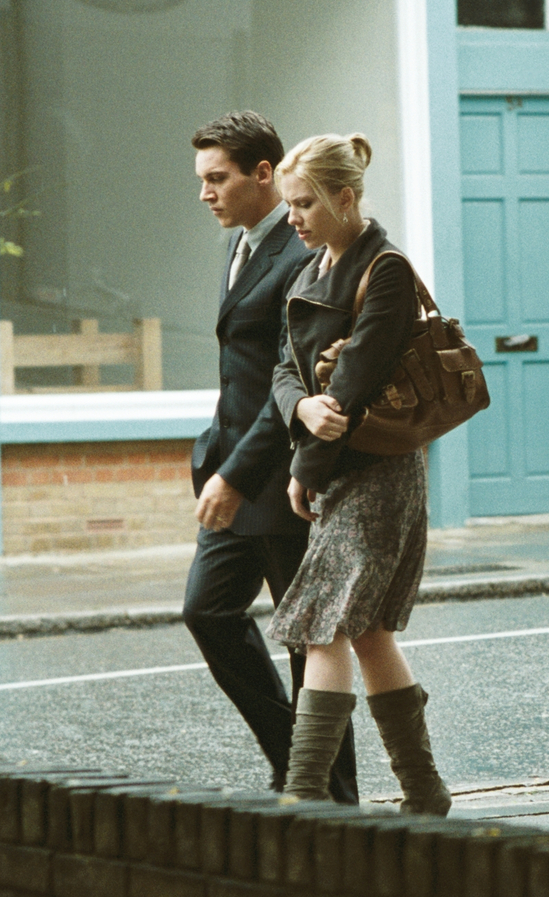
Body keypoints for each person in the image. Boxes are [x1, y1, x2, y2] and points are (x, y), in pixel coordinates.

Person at [266, 133, 451, 815]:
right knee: (366, 629)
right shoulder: (310, 270)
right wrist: (302, 409)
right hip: (335, 466)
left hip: (377, 470)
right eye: (290, 205)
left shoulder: (387, 269)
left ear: (346, 198)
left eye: (306, 203)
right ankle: (425, 793)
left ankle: (306, 798)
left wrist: (307, 456)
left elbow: (356, 383)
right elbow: (284, 370)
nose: (294, 218)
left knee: (326, 625)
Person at [182, 112, 359, 802]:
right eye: (202, 180)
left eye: (217, 177)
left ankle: (333, 793)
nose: (205, 193)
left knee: (308, 645)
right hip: (233, 472)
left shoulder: (303, 253)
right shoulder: (242, 247)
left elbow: (292, 381)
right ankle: (297, 761)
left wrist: (234, 472)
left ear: (264, 173)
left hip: (283, 479)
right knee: (208, 612)